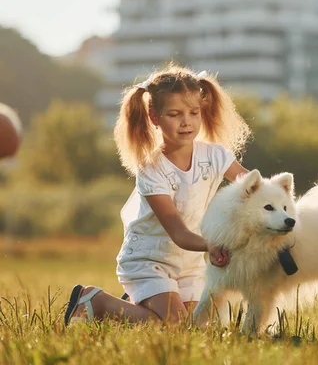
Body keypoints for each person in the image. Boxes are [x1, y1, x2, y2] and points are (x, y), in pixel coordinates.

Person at [64, 65, 251, 326]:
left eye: (194, 113)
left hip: (189, 261)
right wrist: (212, 244)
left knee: (195, 328)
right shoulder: (151, 168)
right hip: (150, 259)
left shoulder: (215, 156)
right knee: (173, 326)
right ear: (154, 117)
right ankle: (97, 301)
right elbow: (178, 232)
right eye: (175, 114)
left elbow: (252, 187)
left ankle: (135, 305)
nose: (186, 121)